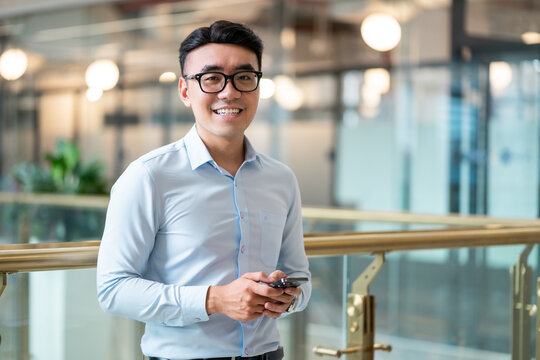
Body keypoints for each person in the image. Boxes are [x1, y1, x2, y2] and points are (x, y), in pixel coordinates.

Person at [96, 20, 311, 360]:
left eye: (244, 77)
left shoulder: (281, 179)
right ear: (185, 91)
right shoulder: (148, 176)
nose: (229, 92)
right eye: (211, 78)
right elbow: (113, 289)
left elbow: (300, 277)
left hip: (269, 354)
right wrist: (215, 300)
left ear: (257, 86)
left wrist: (290, 297)